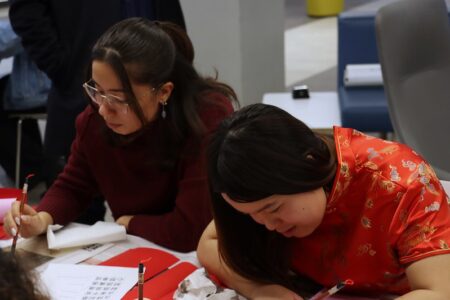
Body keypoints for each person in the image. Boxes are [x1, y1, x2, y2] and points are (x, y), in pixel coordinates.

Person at [4, 18, 237, 252]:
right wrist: (41, 217)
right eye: (97, 91)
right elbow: (75, 185)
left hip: (202, 256)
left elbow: (189, 230)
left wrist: (129, 223)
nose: (104, 109)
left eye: (118, 98)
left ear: (163, 92)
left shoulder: (206, 118)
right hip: (137, 251)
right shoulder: (94, 119)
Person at [197, 104, 450, 299]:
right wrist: (259, 289)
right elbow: (208, 244)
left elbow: (438, 292)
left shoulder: (399, 182)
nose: (268, 225)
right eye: (250, 214)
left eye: (273, 209)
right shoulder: (257, 191)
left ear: (308, 165)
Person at [0, 19, 50, 187]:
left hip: (48, 85)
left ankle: (30, 173)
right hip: (68, 80)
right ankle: (33, 168)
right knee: (6, 90)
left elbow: (17, 32)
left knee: (7, 96)